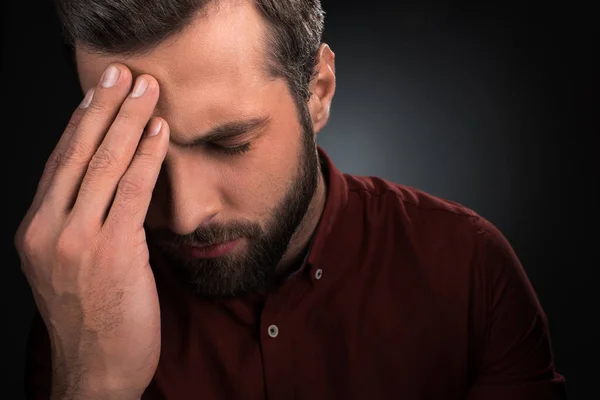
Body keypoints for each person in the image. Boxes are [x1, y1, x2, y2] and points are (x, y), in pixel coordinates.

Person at [16, 0, 567, 399]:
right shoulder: (81, 292)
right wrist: (93, 385)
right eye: (139, 152)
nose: (185, 215)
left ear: (318, 93)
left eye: (229, 143)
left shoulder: (468, 268)